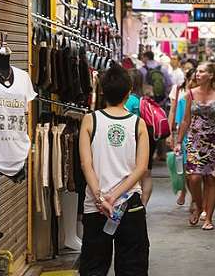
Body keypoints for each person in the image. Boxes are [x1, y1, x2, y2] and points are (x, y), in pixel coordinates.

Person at [78, 64, 150, 276]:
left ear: (102, 91)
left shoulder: (90, 120)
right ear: (129, 93)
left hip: (95, 207)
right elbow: (141, 168)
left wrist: (101, 198)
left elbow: (86, 164)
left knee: (93, 266)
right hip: (129, 205)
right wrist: (114, 197)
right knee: (133, 266)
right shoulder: (138, 124)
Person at [176, 63, 215, 231]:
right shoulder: (190, 94)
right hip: (195, 141)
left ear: (210, 75)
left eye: (201, 71)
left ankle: (208, 217)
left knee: (211, 179)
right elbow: (186, 120)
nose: (197, 74)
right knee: (194, 178)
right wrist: (178, 141)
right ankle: (197, 203)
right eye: (197, 71)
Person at [125, 68, 155, 205]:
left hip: (134, 138)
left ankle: (135, 204)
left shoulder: (129, 99)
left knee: (134, 172)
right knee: (147, 173)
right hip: (148, 135)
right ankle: (143, 205)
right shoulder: (144, 98)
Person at [167, 68, 196, 206]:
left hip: (199, 137)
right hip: (184, 136)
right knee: (184, 167)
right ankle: (185, 191)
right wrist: (170, 133)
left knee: (195, 172)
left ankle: (195, 199)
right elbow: (174, 113)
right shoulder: (179, 92)